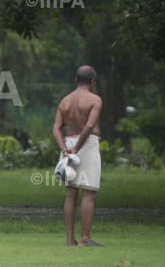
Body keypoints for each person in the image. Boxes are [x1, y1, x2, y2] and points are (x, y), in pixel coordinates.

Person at [52, 66, 103, 247]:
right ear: (92, 81)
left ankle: (69, 239)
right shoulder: (95, 99)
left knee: (70, 194)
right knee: (88, 193)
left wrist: (65, 150)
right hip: (86, 144)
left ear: (76, 79)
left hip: (67, 144)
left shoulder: (64, 101)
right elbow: (89, 126)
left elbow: (56, 128)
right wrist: (77, 149)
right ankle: (84, 239)